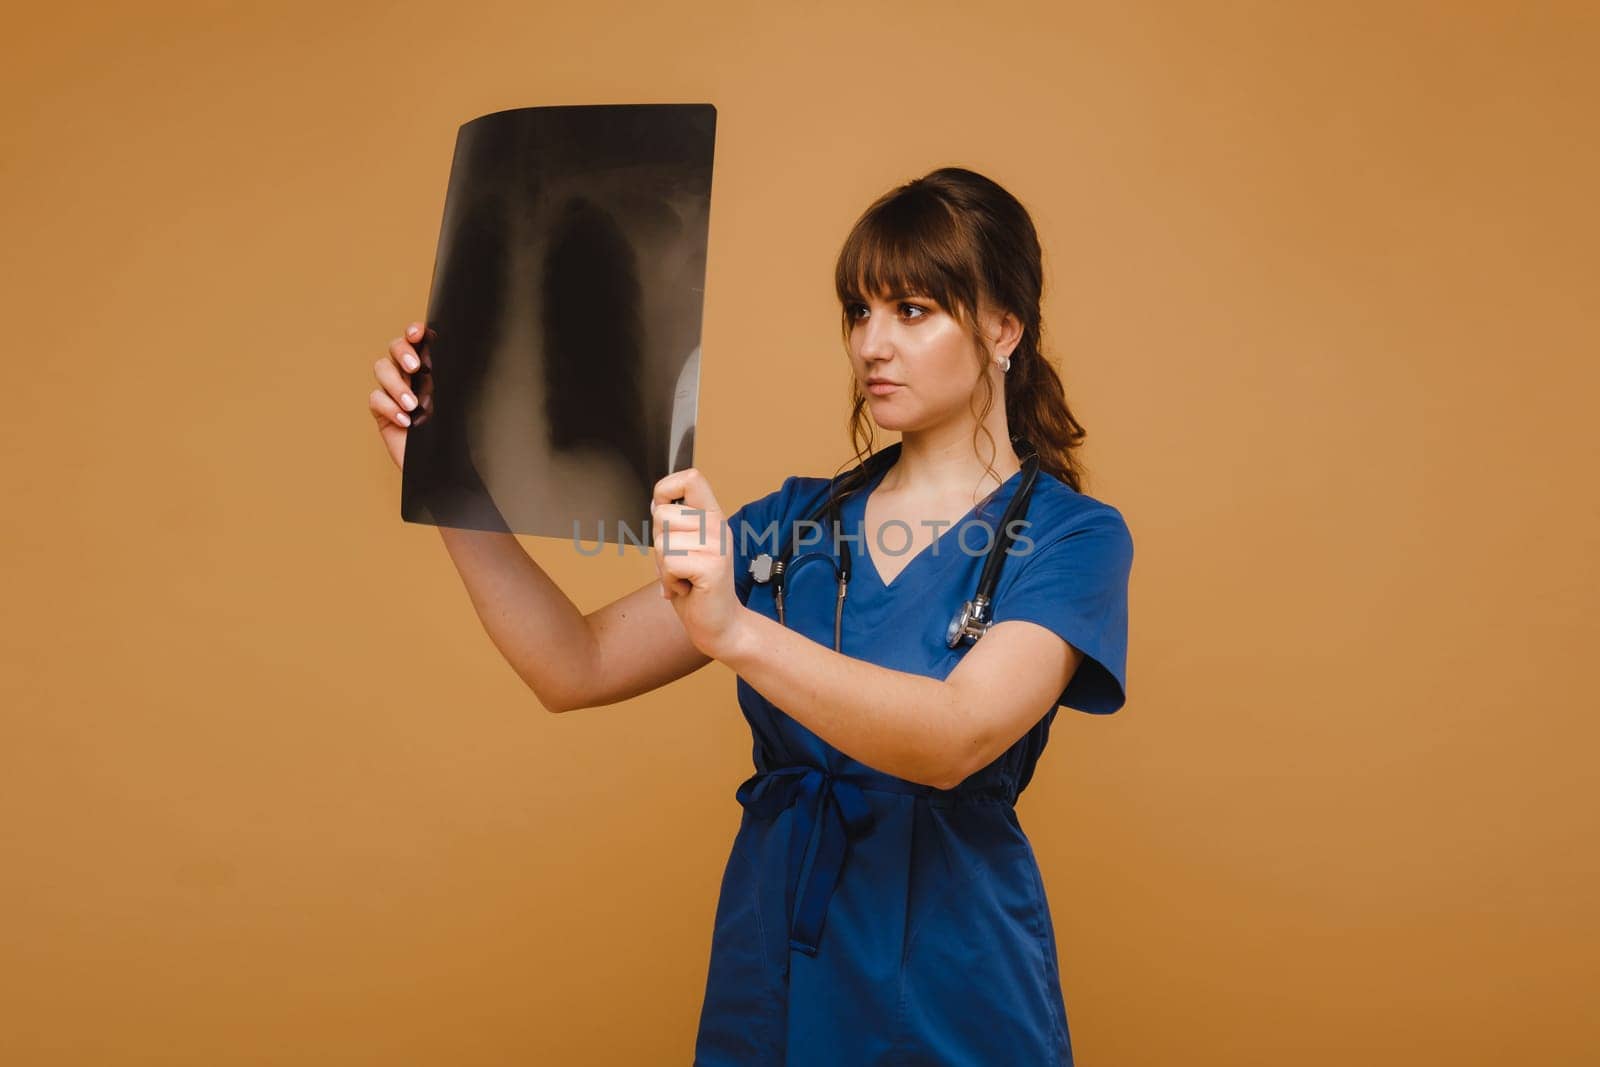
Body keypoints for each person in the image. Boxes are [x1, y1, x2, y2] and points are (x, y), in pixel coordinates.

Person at [368, 166, 1133, 1066]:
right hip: (771, 971)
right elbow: (572, 664)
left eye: (913, 311)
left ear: (1004, 328)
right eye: (859, 312)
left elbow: (959, 734)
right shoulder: (791, 526)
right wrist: (447, 480)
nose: (871, 346)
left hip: (953, 986)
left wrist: (736, 631)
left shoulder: (1069, 537)